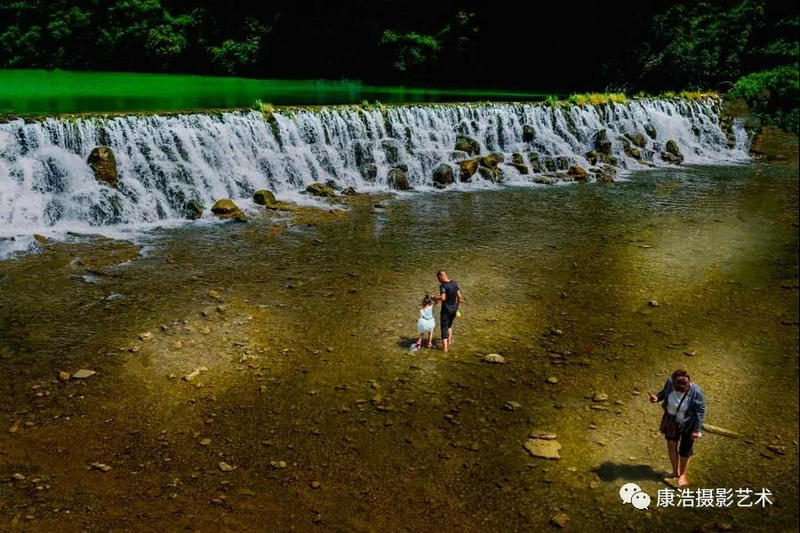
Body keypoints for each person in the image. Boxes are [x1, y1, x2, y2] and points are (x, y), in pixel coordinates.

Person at [649, 370, 706, 487]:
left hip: (688, 424)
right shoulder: (670, 383)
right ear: (673, 383)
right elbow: (664, 393)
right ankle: (675, 472)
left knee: (685, 451)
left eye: (683, 389)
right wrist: (657, 398)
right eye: (678, 388)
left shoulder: (696, 392)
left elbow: (700, 411)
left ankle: (682, 474)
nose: (680, 390)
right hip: (671, 420)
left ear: (689, 383)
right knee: (671, 446)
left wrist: (697, 429)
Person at [436, 270, 462, 352]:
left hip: (446, 310)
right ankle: (449, 341)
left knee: (444, 329)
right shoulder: (454, 283)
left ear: (440, 276)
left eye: (438, 278)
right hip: (454, 310)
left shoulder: (443, 286)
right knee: (449, 326)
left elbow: (443, 298)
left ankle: (445, 349)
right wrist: (457, 307)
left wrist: (435, 298)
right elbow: (459, 296)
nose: (438, 280)